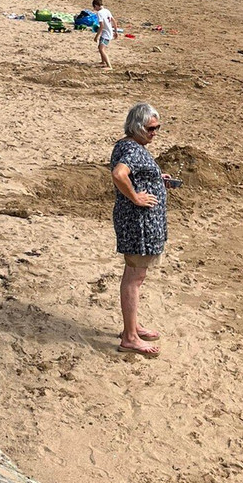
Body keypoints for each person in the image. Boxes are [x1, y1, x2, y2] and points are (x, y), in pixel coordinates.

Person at [109, 102, 171, 357]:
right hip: (139, 224)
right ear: (137, 127)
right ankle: (130, 337)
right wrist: (136, 197)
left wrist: (157, 180)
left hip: (138, 222)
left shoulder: (130, 146)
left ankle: (132, 327)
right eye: (151, 128)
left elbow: (132, 174)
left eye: (157, 128)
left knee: (134, 275)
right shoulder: (132, 150)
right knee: (135, 279)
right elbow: (119, 174)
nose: (155, 133)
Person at [93, 0, 117, 69]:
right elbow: (114, 21)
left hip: (106, 33)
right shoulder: (107, 10)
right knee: (100, 46)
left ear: (96, 5)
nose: (94, 9)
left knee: (101, 49)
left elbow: (101, 25)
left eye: (94, 7)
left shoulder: (99, 13)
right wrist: (115, 31)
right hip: (109, 32)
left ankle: (109, 66)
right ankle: (103, 62)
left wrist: (96, 36)